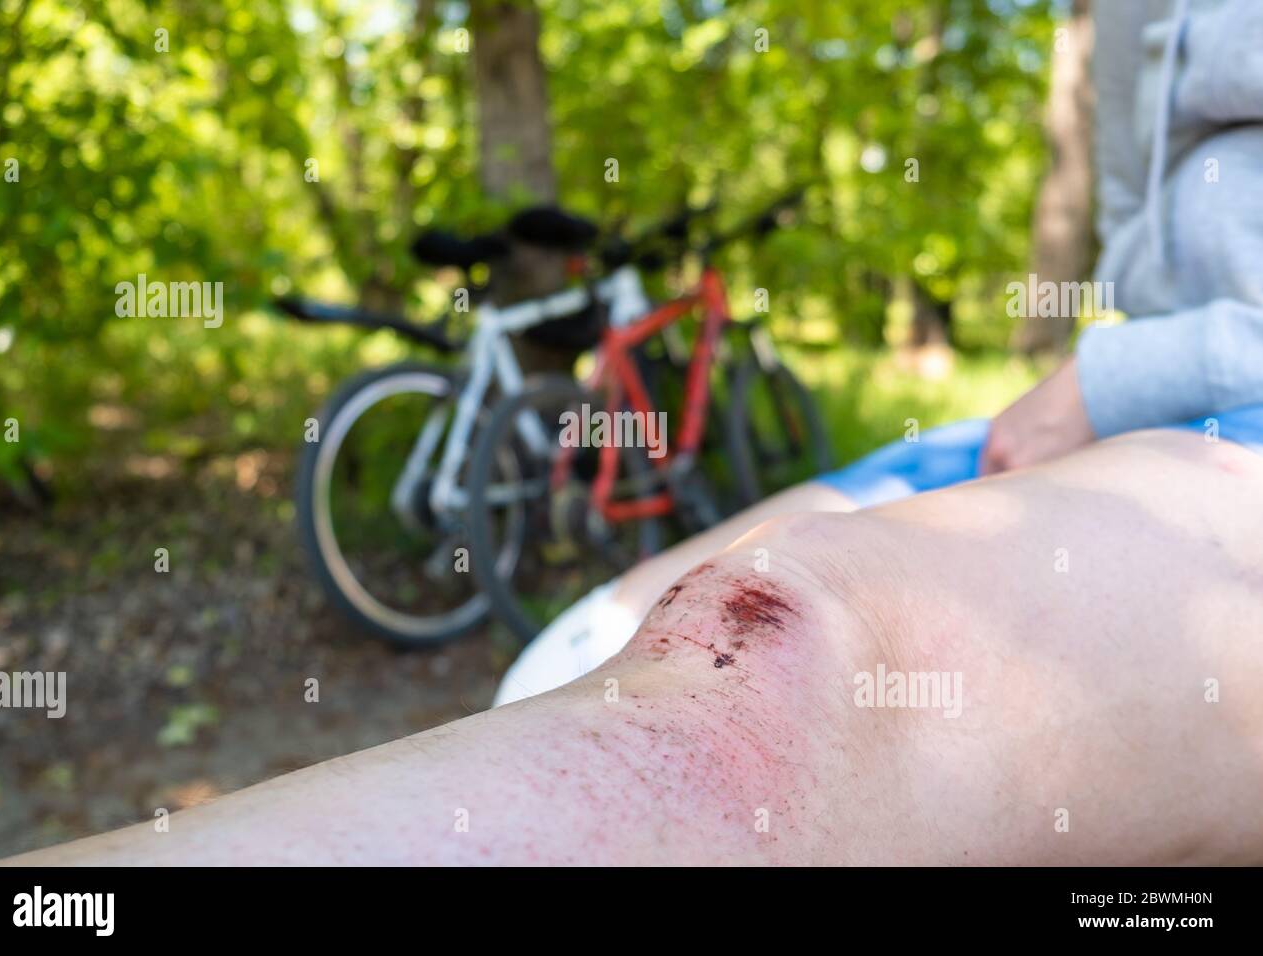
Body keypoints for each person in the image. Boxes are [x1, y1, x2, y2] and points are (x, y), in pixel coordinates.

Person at [0, 0, 1263, 866]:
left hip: (1209, 399)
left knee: (773, 705)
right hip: (1116, 400)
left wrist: (1135, 368)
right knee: (581, 650)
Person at [494, 0, 1263, 707]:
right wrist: (1130, 369)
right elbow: (1135, 184)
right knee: (580, 652)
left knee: (830, 677)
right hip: (1153, 397)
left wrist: (1109, 379)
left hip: (1204, 409)